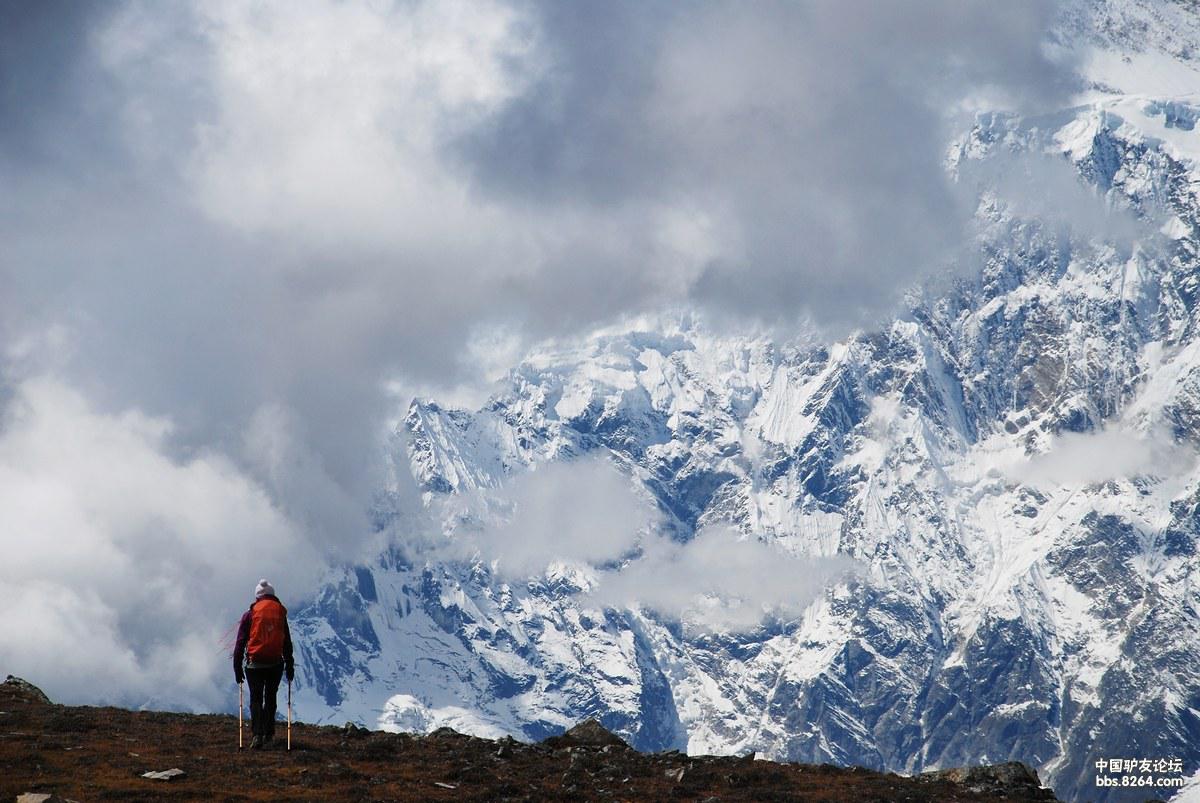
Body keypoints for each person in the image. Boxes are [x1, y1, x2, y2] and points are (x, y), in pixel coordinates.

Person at [234, 579, 295, 749]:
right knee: (270, 697)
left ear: (257, 597)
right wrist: (289, 665)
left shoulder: (250, 614)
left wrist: (237, 668)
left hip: (254, 664)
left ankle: (257, 736)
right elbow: (286, 643)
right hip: (275, 664)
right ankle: (269, 734)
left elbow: (240, 643)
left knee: (255, 698)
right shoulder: (279, 614)